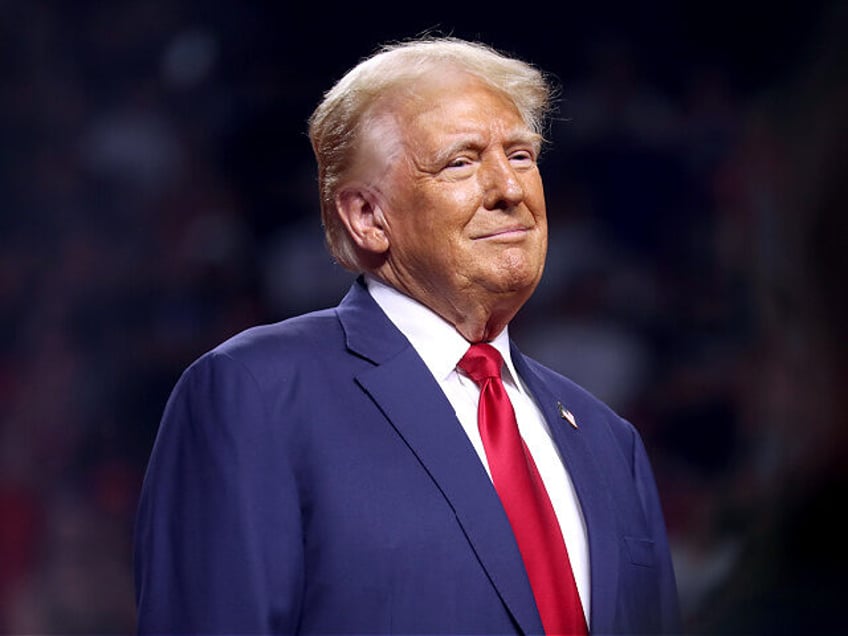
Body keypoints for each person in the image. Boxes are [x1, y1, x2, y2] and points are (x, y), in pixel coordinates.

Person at [134, 36, 681, 635]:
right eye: (461, 161)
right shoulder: (256, 394)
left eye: (522, 155)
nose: (510, 189)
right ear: (367, 218)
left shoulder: (608, 440)